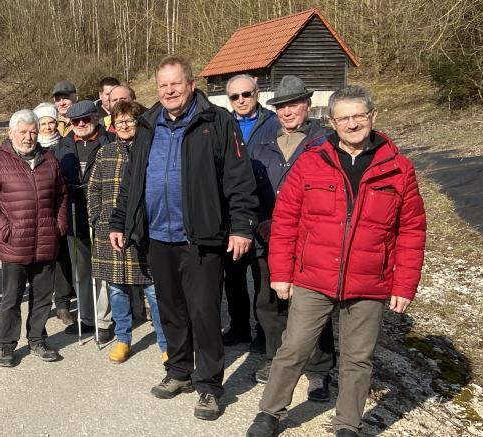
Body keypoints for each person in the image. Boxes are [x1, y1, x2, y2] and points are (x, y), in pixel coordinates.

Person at [246, 85, 426, 437]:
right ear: (332, 121)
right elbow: (285, 222)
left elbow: (412, 231)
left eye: (359, 115)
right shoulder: (312, 162)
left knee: (358, 359)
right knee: (294, 347)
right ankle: (270, 412)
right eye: (344, 117)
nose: (352, 123)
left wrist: (404, 284)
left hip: (369, 281)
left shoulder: (398, 169)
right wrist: (281, 273)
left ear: (373, 116)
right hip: (313, 276)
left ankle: (347, 423)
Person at [108, 56, 258, 421]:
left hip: (201, 238)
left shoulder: (216, 121)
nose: (169, 91)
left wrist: (241, 227)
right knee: (171, 308)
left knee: (204, 312)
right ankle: (179, 372)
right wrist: (119, 220)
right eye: (163, 85)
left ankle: (208, 386)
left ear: (190, 84)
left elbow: (238, 178)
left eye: (175, 84)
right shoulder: (147, 124)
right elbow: (132, 179)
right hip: (157, 236)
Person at [245, 75, 335, 399]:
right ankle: (275, 358)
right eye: (281, 105)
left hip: (311, 239)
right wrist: (261, 221)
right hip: (268, 235)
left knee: (312, 306)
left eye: (293, 104)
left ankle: (318, 370)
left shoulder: (324, 143)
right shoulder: (263, 141)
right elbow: (249, 188)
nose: (287, 111)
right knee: (268, 302)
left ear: (307, 105)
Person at [0, 110, 68, 368]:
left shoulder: (49, 160)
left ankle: (37, 339)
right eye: (23, 132)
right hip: (15, 243)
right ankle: (6, 345)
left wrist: (59, 223)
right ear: (11, 133)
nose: (29, 137)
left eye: (32, 131)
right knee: (11, 298)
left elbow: (62, 195)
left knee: (42, 297)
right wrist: (3, 229)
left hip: (46, 240)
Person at [89, 100, 167, 364]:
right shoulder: (105, 152)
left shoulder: (152, 150)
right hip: (109, 233)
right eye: (118, 121)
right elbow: (94, 190)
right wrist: (98, 219)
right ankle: (123, 340)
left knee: (153, 290)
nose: (123, 125)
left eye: (129, 120)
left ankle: (166, 342)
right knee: (116, 290)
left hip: (143, 233)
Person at [222, 74, 279, 347]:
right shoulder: (224, 124)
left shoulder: (273, 123)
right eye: (235, 96)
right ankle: (239, 326)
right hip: (233, 214)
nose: (241, 100)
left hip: (265, 211)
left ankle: (264, 334)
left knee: (263, 280)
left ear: (257, 93)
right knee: (233, 278)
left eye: (246, 94)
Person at [55, 100, 116, 343]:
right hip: (73, 213)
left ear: (96, 117)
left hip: (102, 215)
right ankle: (87, 317)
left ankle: (104, 320)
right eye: (75, 121)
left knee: (101, 270)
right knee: (81, 271)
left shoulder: (108, 142)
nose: (80, 124)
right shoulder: (65, 144)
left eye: (85, 119)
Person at [35, 102, 75, 326]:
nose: (49, 127)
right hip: (38, 212)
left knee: (62, 259)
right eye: (43, 123)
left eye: (52, 122)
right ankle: (41, 304)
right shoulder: (32, 148)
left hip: (59, 209)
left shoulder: (65, 145)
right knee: (42, 260)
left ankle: (62, 304)